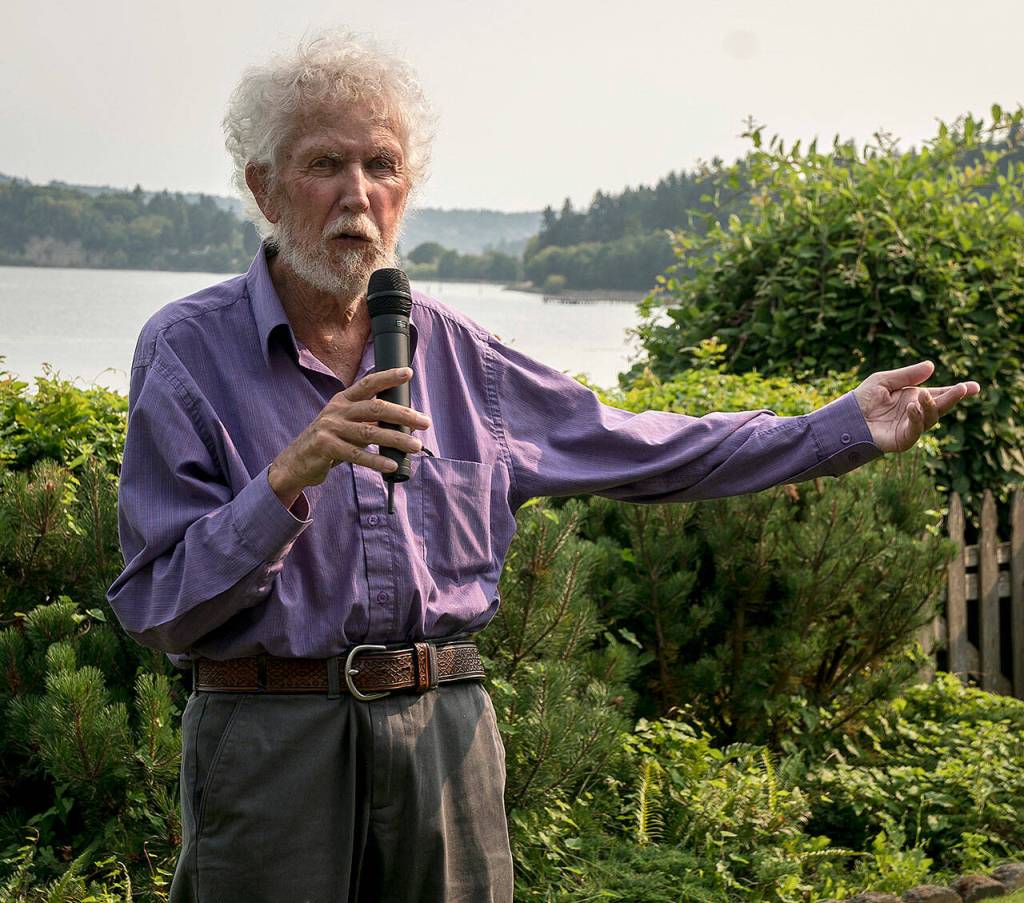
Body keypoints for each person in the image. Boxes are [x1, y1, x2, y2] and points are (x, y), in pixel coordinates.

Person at [106, 29, 980, 903]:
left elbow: (648, 447)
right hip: (271, 740)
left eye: (382, 165)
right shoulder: (187, 351)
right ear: (264, 187)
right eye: (325, 164)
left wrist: (838, 429)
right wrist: (286, 478)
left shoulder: (463, 358)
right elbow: (157, 605)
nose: (358, 194)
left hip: (444, 736)